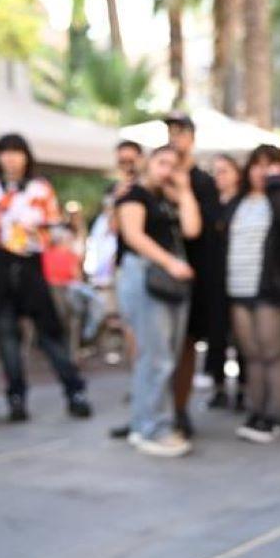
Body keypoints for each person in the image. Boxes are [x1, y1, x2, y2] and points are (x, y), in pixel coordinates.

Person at [0, 133, 92, 423]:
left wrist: (46, 230)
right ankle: (16, 397)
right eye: (5, 152)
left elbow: (53, 231)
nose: (11, 158)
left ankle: (74, 390)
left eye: (16, 152)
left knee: (49, 333)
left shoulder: (40, 189)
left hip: (30, 265)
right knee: (7, 337)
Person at [224, 145, 280, 443]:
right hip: (240, 287)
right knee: (253, 356)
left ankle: (277, 416)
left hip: (275, 289)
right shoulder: (239, 202)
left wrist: (277, 187)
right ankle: (257, 412)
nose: (262, 171)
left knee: (275, 354)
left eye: (270, 165)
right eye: (257, 165)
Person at [115, 145, 201, 457]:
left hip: (170, 281)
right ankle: (153, 427)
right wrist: (170, 263)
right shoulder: (134, 195)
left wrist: (185, 189)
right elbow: (133, 236)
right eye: (162, 162)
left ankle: (146, 423)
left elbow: (192, 229)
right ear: (148, 163)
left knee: (162, 356)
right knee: (155, 357)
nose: (167, 169)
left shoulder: (169, 199)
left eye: (173, 164)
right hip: (148, 276)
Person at [164, 112, 224, 438]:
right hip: (160, 276)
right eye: (171, 131)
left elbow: (208, 227)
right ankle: (156, 410)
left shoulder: (202, 181)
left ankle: (179, 409)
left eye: (180, 131)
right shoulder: (156, 175)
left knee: (186, 345)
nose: (175, 137)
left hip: (194, 276)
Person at [210, 154, 247, 411]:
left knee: (243, 336)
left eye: (224, 171)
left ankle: (244, 388)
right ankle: (219, 386)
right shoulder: (212, 203)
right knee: (217, 334)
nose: (219, 177)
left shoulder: (244, 203)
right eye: (216, 172)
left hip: (240, 276)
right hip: (215, 278)